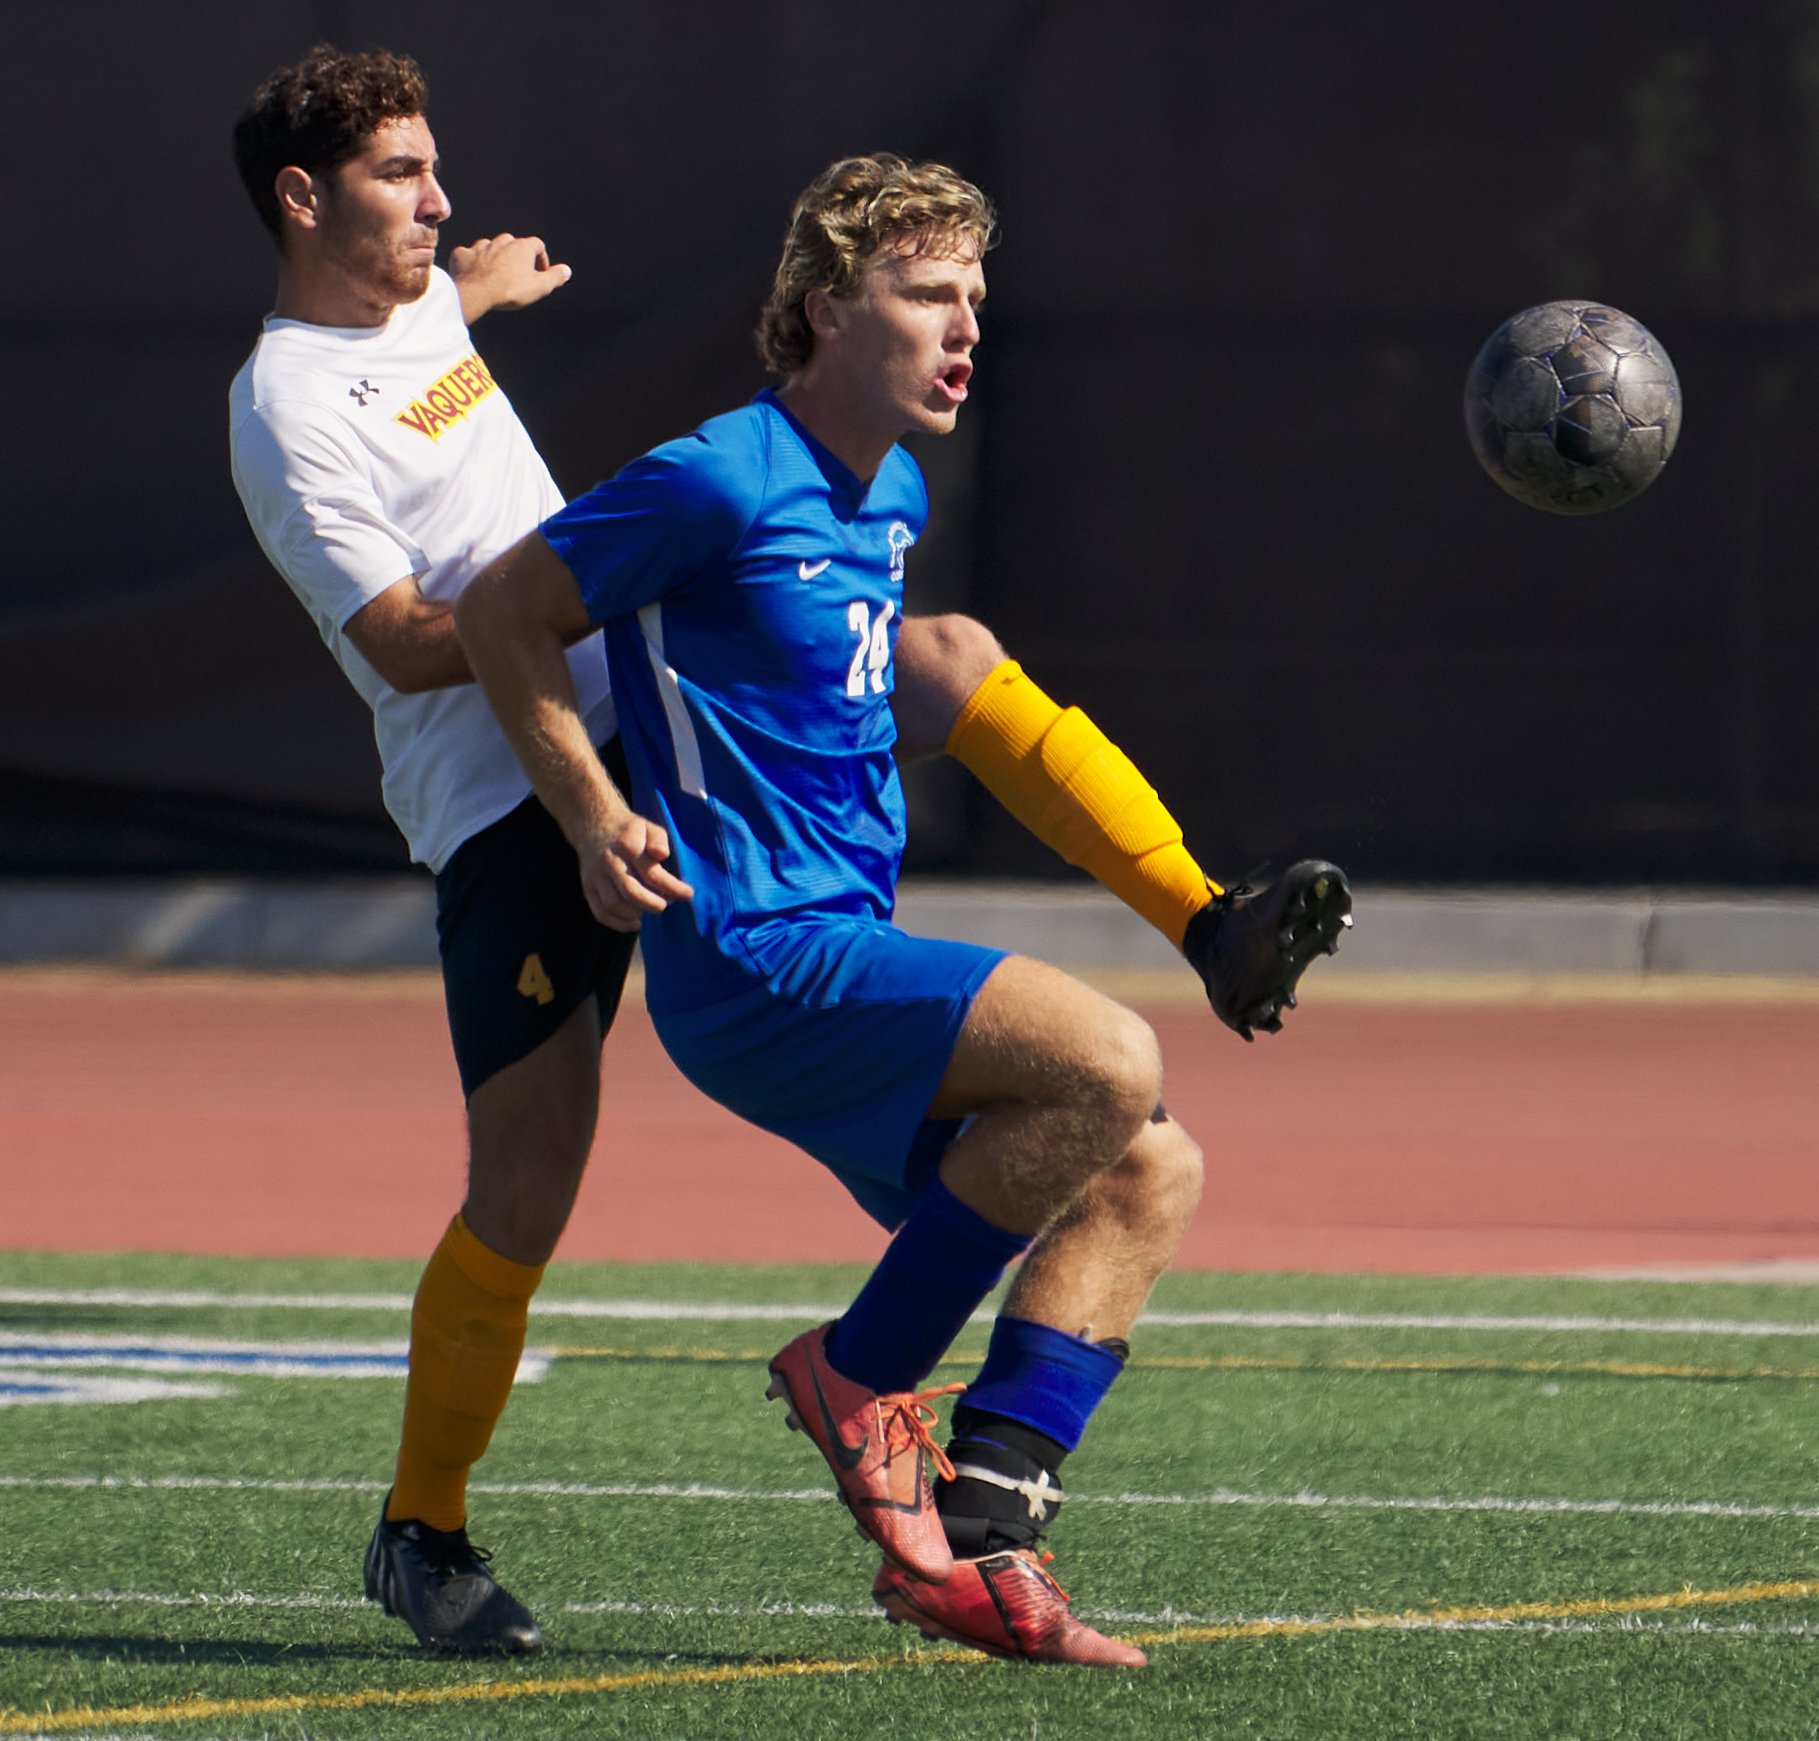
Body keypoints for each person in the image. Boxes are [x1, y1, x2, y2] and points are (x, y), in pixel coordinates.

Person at [453, 152, 1351, 1666]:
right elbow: (503, 614)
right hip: (755, 958)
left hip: (836, 948)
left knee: (1145, 1171)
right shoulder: (720, 471)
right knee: (1108, 1059)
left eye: (975, 296)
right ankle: (859, 1374)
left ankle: (984, 1541)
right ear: (821, 310)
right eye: (927, 292)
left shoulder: (892, 490)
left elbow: (833, 687)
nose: (965, 325)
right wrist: (597, 817)